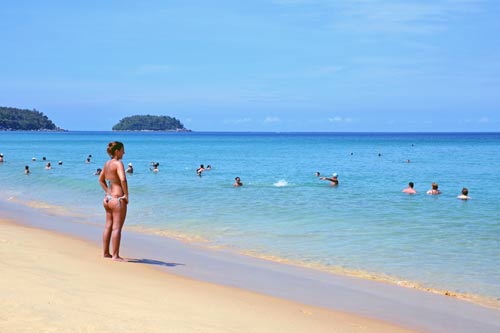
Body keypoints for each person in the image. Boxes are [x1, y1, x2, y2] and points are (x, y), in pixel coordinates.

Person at [98, 141, 129, 261]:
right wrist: (126, 195)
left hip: (108, 199)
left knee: (108, 226)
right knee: (117, 228)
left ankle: (106, 252)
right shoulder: (118, 163)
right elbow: (123, 179)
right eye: (122, 150)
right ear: (117, 151)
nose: (124, 152)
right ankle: (115, 255)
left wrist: (107, 192)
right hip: (117, 199)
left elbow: (100, 180)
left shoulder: (107, 163)